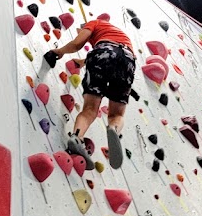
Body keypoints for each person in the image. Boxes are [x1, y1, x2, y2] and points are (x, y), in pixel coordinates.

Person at [44, 16, 135, 170]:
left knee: (90, 109)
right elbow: (113, 53)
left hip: (103, 53)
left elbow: (78, 44)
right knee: (116, 114)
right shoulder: (116, 33)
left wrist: (60, 51)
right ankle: (113, 128)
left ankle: (77, 137)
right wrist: (82, 62)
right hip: (127, 60)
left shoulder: (94, 23)